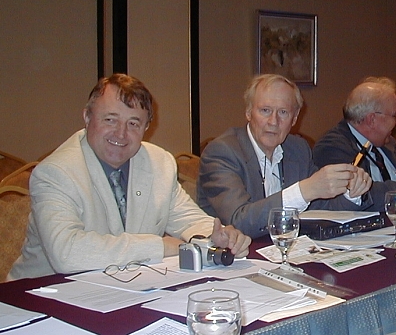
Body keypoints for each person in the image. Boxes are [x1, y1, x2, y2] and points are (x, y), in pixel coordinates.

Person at [8, 74, 251, 280]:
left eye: (133, 123)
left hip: (120, 288)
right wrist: (160, 246)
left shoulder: (159, 162)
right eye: (110, 119)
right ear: (87, 118)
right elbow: (67, 253)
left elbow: (188, 220)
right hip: (40, 298)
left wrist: (219, 236)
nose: (121, 134)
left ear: (146, 128)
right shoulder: (56, 172)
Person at [196, 74, 373, 238]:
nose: (273, 121)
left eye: (283, 112)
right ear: (248, 112)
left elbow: (322, 206)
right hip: (233, 255)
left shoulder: (297, 148)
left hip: (286, 250)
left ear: (294, 119)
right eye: (265, 110)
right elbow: (238, 221)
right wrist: (304, 190)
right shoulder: (222, 152)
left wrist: (352, 192)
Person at [312, 77, 396, 211]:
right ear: (372, 119)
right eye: (395, 116)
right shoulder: (332, 147)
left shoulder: (388, 143)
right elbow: (363, 194)